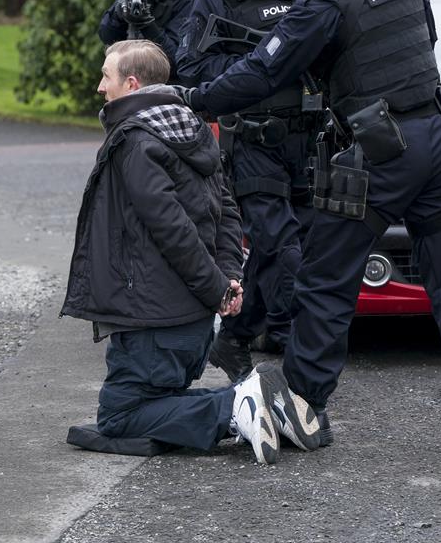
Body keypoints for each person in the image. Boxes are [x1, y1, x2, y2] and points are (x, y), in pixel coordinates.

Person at [182, 0, 441, 447]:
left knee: (325, 282)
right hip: (439, 139)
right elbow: (423, 44)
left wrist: (194, 98)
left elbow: (263, 71)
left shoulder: (323, 2)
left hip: (378, 151)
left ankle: (305, 410)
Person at [60, 39, 321, 464]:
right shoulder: (193, 131)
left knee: (120, 418)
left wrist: (218, 287)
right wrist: (229, 279)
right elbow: (228, 213)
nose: (99, 88)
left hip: (154, 320)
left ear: (130, 82)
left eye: (106, 77)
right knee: (159, 404)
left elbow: (173, 230)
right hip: (189, 322)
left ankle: (237, 407)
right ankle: (266, 405)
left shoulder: (135, 142)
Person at [175, 0, 316, 381]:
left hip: (314, 137)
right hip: (254, 139)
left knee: (307, 244)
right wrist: (262, 64)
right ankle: (303, 351)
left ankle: (236, 338)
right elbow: (191, 67)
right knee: (278, 244)